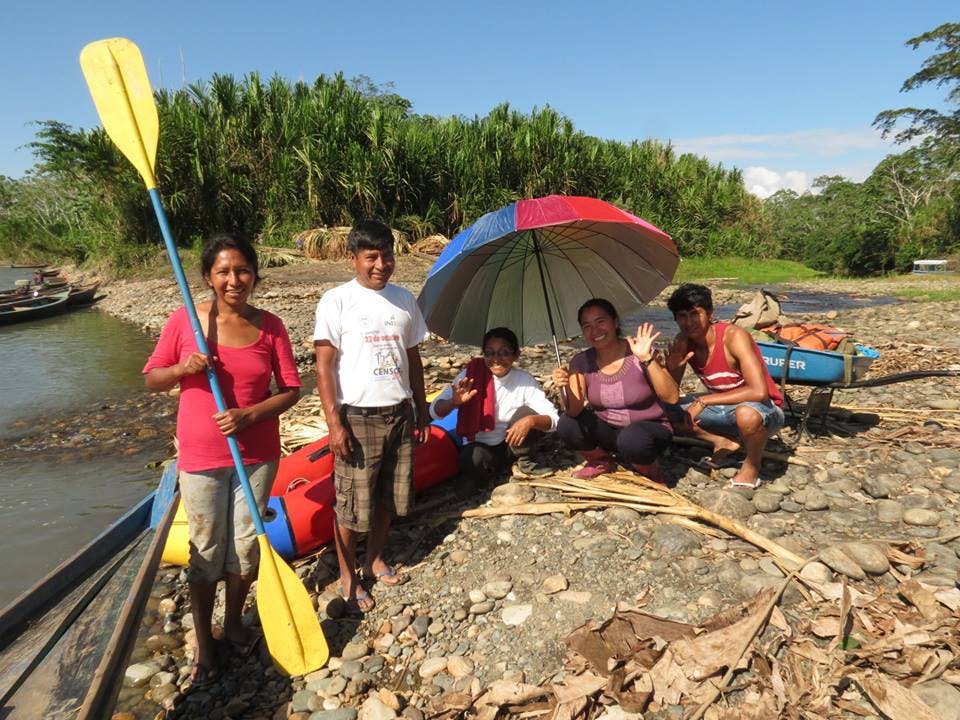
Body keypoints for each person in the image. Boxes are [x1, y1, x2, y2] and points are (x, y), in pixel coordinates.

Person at [143, 234, 301, 687]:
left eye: (243, 270)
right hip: (201, 456)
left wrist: (250, 414)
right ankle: (203, 639)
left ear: (254, 273)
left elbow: (291, 389)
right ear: (209, 277)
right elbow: (153, 379)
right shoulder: (186, 322)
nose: (234, 280)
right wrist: (182, 369)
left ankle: (232, 623)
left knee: (246, 545)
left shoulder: (271, 326)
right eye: (223, 272)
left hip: (256, 456)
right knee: (207, 549)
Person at [313, 219, 429, 614]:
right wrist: (334, 422)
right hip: (357, 417)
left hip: (400, 411)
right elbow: (324, 366)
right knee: (350, 506)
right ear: (353, 259)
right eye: (371, 257)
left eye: (387, 256)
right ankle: (348, 578)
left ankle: (374, 558)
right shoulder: (336, 301)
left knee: (387, 499)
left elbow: (413, 358)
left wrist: (423, 409)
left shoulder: (404, 300)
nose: (381, 265)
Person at [665, 283, 785, 489]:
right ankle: (721, 441)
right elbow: (670, 395)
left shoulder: (733, 336)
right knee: (658, 410)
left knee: (746, 414)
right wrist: (673, 368)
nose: (688, 322)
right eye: (681, 316)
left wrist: (703, 400)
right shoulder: (684, 342)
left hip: (764, 409)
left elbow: (758, 391)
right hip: (723, 409)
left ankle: (751, 466)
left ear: (710, 313)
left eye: (695, 314)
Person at [551, 299, 678, 482]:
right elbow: (574, 411)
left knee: (632, 438)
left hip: (649, 431)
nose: (595, 331)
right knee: (567, 423)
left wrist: (646, 358)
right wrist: (565, 384)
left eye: (601, 322)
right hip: (609, 431)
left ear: (615, 322)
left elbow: (672, 397)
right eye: (587, 326)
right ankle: (600, 461)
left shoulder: (639, 350)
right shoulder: (581, 361)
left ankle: (649, 469)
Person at [430, 327, 559, 498]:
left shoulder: (524, 380)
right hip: (480, 444)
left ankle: (524, 461)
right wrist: (454, 403)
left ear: (516, 355)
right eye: (490, 353)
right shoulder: (469, 376)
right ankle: (485, 472)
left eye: (504, 352)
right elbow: (434, 412)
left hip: (512, 443)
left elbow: (554, 420)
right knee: (470, 459)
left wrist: (531, 420)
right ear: (483, 354)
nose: (496, 359)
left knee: (527, 413)